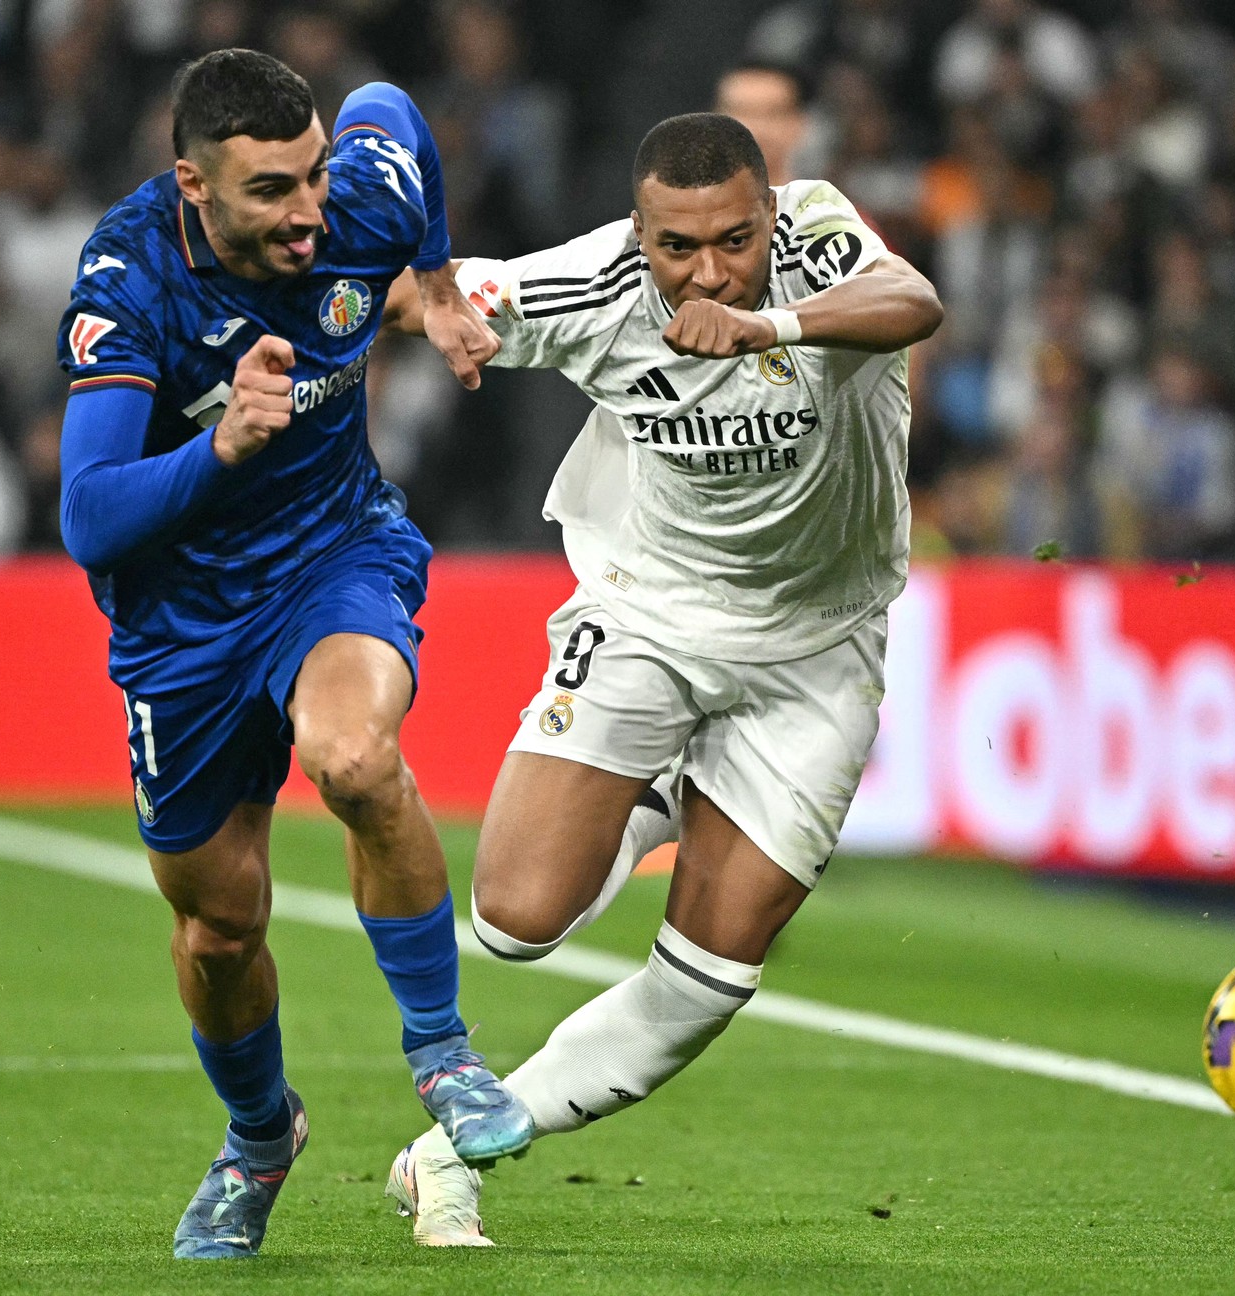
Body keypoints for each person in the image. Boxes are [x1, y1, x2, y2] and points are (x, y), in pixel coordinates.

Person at [378, 111, 943, 1245]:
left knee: (711, 977)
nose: (707, 268)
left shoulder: (821, 239)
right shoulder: (589, 285)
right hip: (651, 618)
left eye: (734, 238)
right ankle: (665, 794)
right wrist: (422, 301)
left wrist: (764, 320)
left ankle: (456, 1148)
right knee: (512, 921)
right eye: (677, 247)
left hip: (818, 648)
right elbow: (416, 297)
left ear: (769, 213)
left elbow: (915, 305)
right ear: (636, 231)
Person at [53, 49, 531, 1261]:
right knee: (221, 927)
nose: (310, 213)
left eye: (314, 176)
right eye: (271, 190)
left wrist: (425, 282)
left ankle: (444, 1058)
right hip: (184, 630)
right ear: (194, 187)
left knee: (356, 756)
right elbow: (89, 514)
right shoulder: (130, 275)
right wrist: (218, 450)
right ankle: (260, 1137)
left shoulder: (360, 199)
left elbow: (393, 109)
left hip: (336, 557)